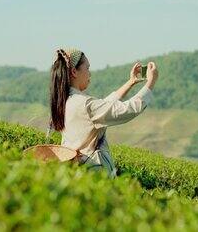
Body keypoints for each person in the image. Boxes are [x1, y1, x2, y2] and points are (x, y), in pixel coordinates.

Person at [49, 47, 158, 178]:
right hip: (93, 173)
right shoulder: (84, 104)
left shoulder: (65, 101)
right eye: (87, 68)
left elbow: (103, 107)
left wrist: (130, 83)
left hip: (74, 173)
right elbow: (125, 110)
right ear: (74, 72)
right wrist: (151, 82)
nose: (90, 73)